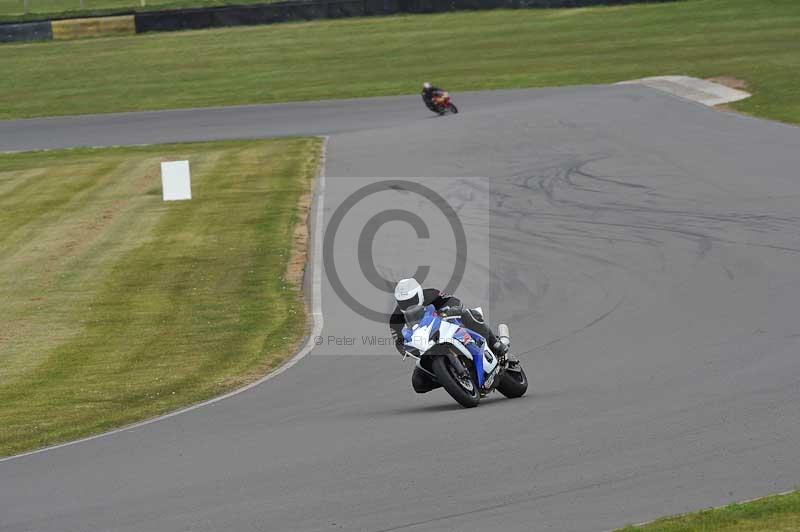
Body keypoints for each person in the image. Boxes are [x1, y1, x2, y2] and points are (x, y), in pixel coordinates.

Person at [389, 278, 512, 393]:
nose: (408, 305)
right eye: (403, 303)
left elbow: (454, 301)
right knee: (418, 383)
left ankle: (495, 343)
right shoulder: (395, 319)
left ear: (419, 294)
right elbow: (399, 342)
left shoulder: (431, 294)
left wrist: (450, 311)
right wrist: (408, 350)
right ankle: (450, 377)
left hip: (448, 327)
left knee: (469, 314)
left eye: (411, 300)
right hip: (426, 345)